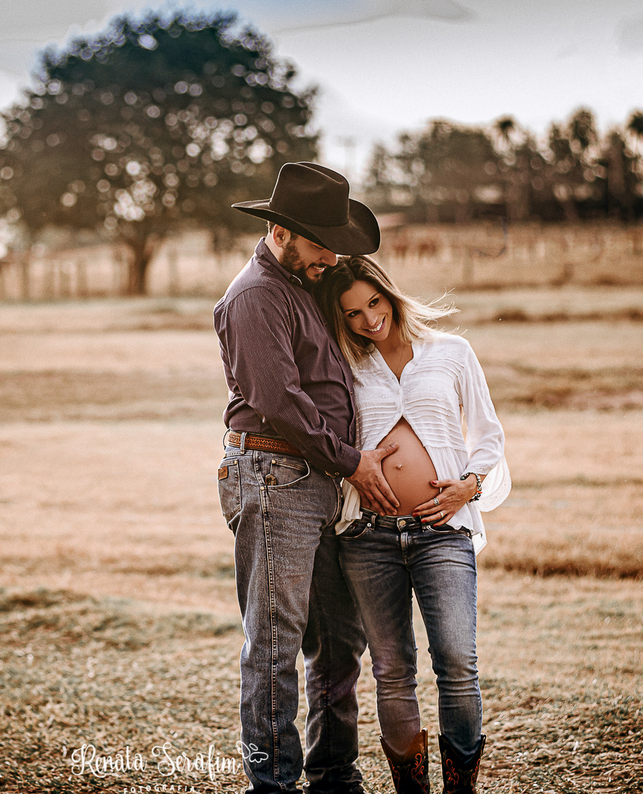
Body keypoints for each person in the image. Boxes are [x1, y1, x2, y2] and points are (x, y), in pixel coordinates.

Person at [214, 162, 399, 794]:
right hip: (274, 478)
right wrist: (354, 462)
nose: (332, 256)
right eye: (322, 243)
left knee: (337, 638)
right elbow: (280, 403)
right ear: (283, 232)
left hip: (315, 481)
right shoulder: (255, 297)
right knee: (274, 642)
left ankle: (332, 774)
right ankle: (273, 783)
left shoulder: (303, 283)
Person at [312, 255, 510, 794]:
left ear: (390, 294)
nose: (368, 319)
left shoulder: (452, 352)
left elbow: (488, 435)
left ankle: (461, 788)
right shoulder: (345, 366)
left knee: (456, 661)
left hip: (443, 532)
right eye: (351, 313)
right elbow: (328, 439)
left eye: (373, 302)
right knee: (392, 670)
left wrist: (468, 486)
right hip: (368, 538)